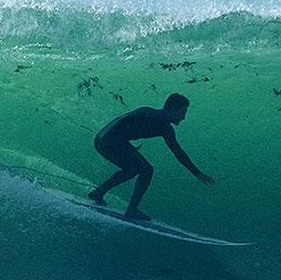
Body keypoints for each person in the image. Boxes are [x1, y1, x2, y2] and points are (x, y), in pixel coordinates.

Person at [87, 93, 215, 220]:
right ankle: (132, 209)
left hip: (101, 139)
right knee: (146, 169)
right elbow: (178, 152)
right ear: (172, 109)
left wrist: (128, 147)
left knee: (133, 169)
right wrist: (197, 173)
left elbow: (124, 123)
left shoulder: (150, 112)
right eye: (183, 112)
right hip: (112, 141)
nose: (183, 117)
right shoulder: (164, 125)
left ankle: (98, 192)